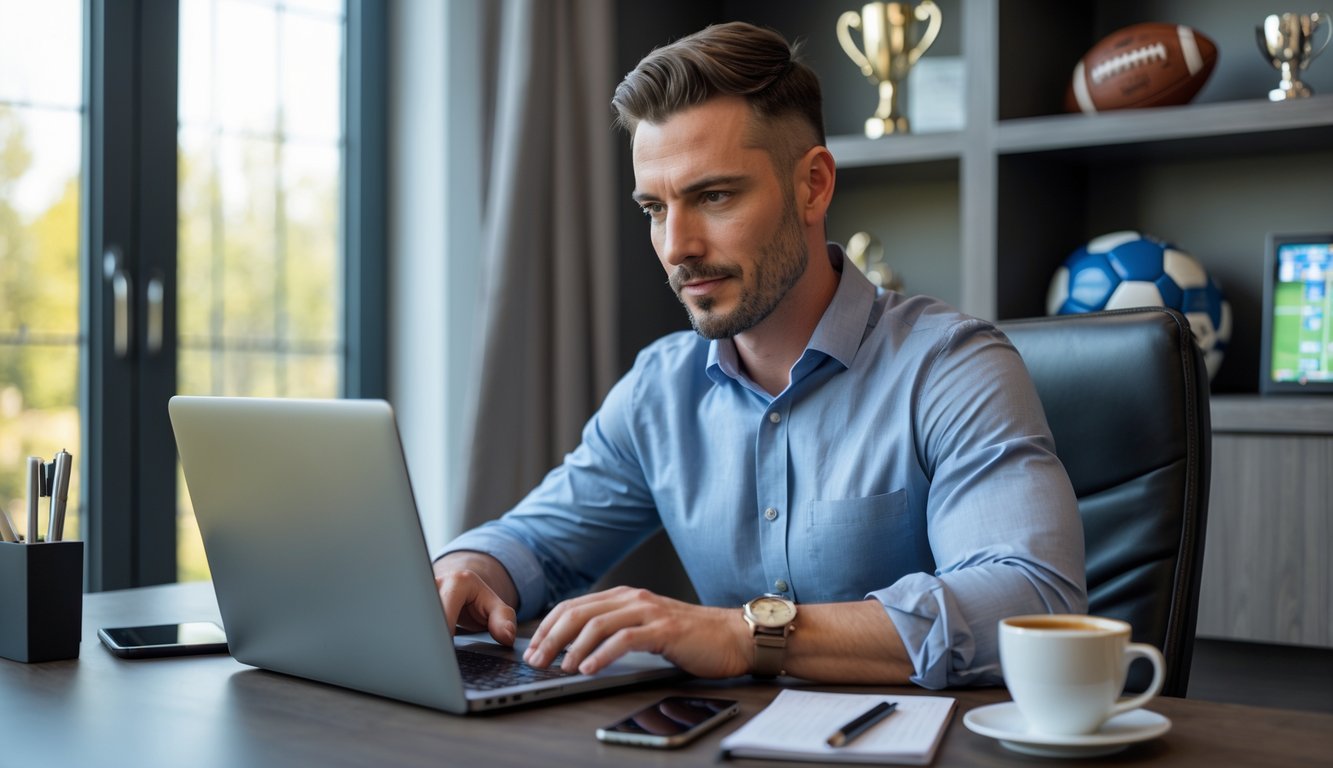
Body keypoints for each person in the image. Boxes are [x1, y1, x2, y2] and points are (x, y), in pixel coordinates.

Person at [432, 21, 1086, 689]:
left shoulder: (952, 367)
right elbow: (535, 542)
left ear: (813, 186)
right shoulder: (658, 391)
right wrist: (471, 567)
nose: (675, 246)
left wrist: (747, 634)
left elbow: (1031, 601)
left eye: (713, 196)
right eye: (655, 208)